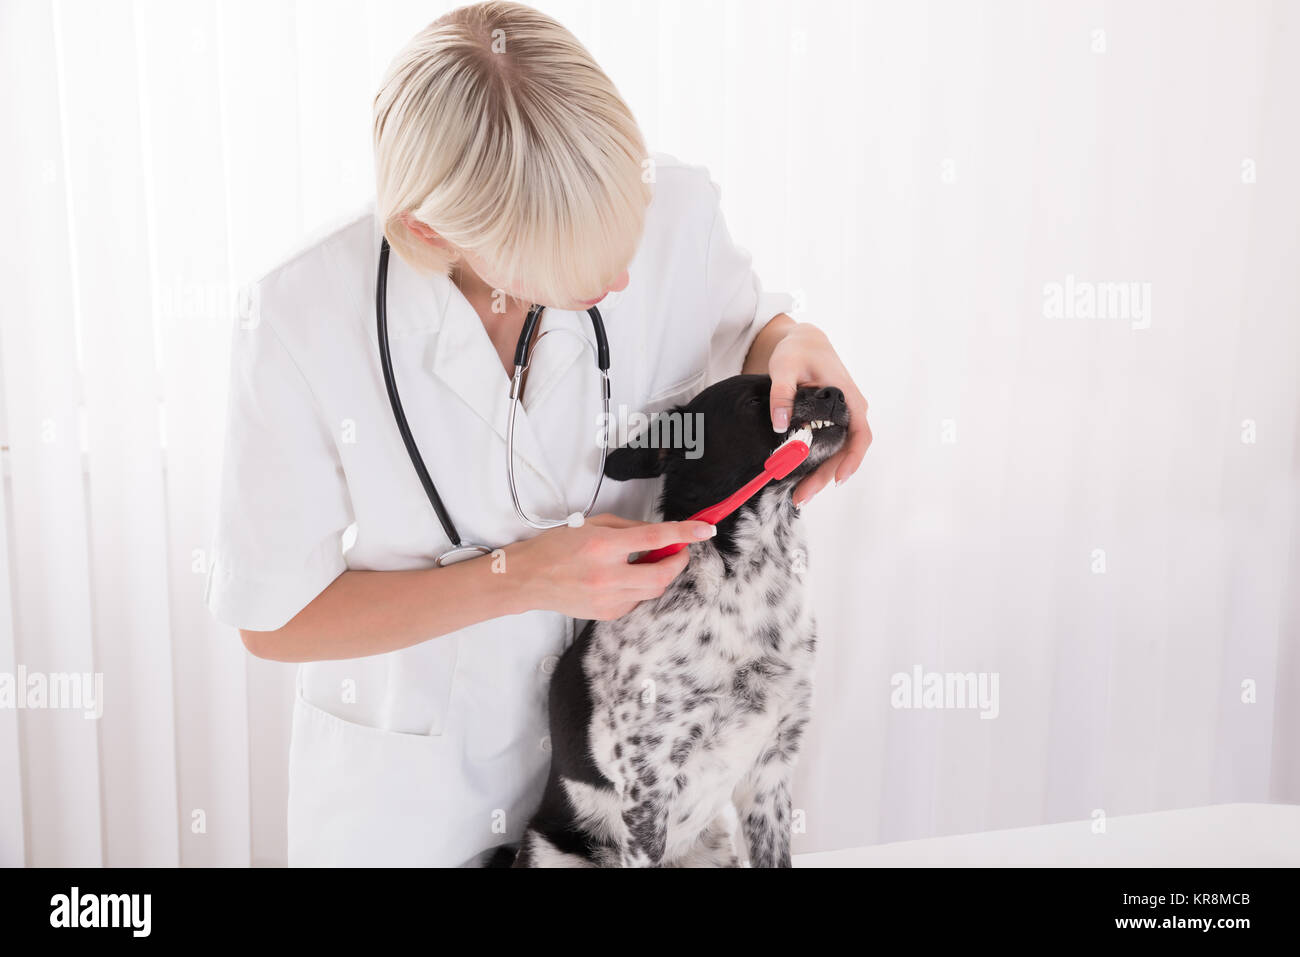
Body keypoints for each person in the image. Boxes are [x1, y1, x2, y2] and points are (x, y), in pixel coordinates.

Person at [205, 0, 870, 866]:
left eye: (625, 233)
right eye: (580, 277)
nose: (625, 274)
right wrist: (518, 578)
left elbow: (748, 331)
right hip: (415, 807)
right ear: (433, 232)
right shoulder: (297, 320)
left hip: (636, 799)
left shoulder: (674, 207)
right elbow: (273, 621)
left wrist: (794, 343)